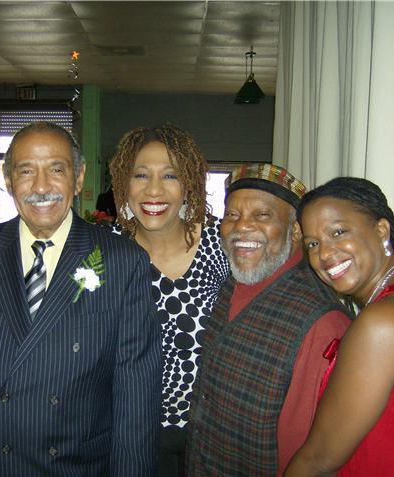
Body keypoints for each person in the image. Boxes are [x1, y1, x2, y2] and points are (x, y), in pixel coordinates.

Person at [0, 121, 162, 476]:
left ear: (78, 177)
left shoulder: (122, 260)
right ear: (7, 179)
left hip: (74, 466)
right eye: (26, 171)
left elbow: (135, 398)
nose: (41, 186)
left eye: (56, 170)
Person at [186, 163, 352, 476]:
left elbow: (310, 455)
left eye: (262, 215)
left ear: (295, 231)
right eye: (232, 215)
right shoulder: (229, 286)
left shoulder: (322, 323)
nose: (241, 227)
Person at [284, 177, 394, 476]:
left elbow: (319, 460)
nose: (324, 254)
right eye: (313, 243)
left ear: (382, 230)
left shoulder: (385, 324)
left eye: (338, 232)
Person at [108, 124, 230, 477]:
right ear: (123, 185)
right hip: (131, 432)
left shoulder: (221, 247)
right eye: (140, 175)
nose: (154, 190)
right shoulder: (105, 254)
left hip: (212, 432)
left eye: (170, 176)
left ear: (188, 184)